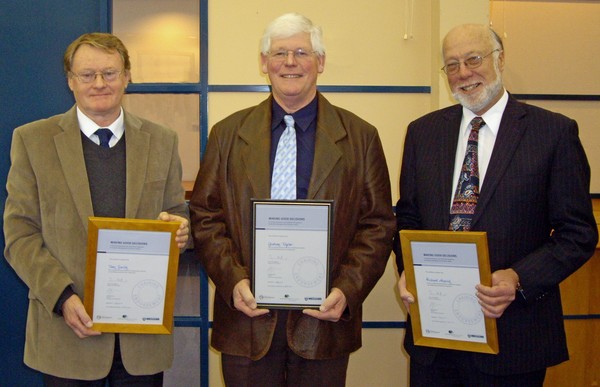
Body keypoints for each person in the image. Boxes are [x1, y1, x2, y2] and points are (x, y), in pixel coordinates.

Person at [189, 12, 395, 386]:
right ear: (263, 63)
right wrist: (232, 280)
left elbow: (378, 225)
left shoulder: (361, 137)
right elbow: (205, 215)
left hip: (323, 322)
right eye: (279, 52)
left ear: (320, 62)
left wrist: (346, 291)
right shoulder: (226, 134)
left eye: (302, 52)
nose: (290, 62)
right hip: (245, 319)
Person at [394, 23, 598, 386]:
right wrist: (406, 269)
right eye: (452, 65)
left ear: (500, 59)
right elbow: (407, 217)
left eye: (474, 59)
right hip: (435, 336)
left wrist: (519, 278)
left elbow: (578, 233)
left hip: (514, 338)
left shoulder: (553, 133)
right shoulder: (422, 133)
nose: (463, 73)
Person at [3, 32, 190, 385]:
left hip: (141, 337)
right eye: (87, 75)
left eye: (110, 73)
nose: (99, 83)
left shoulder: (162, 140)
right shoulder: (32, 141)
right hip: (67, 332)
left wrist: (181, 228)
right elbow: (19, 234)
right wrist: (61, 297)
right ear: (71, 81)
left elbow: (177, 211)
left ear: (127, 76)